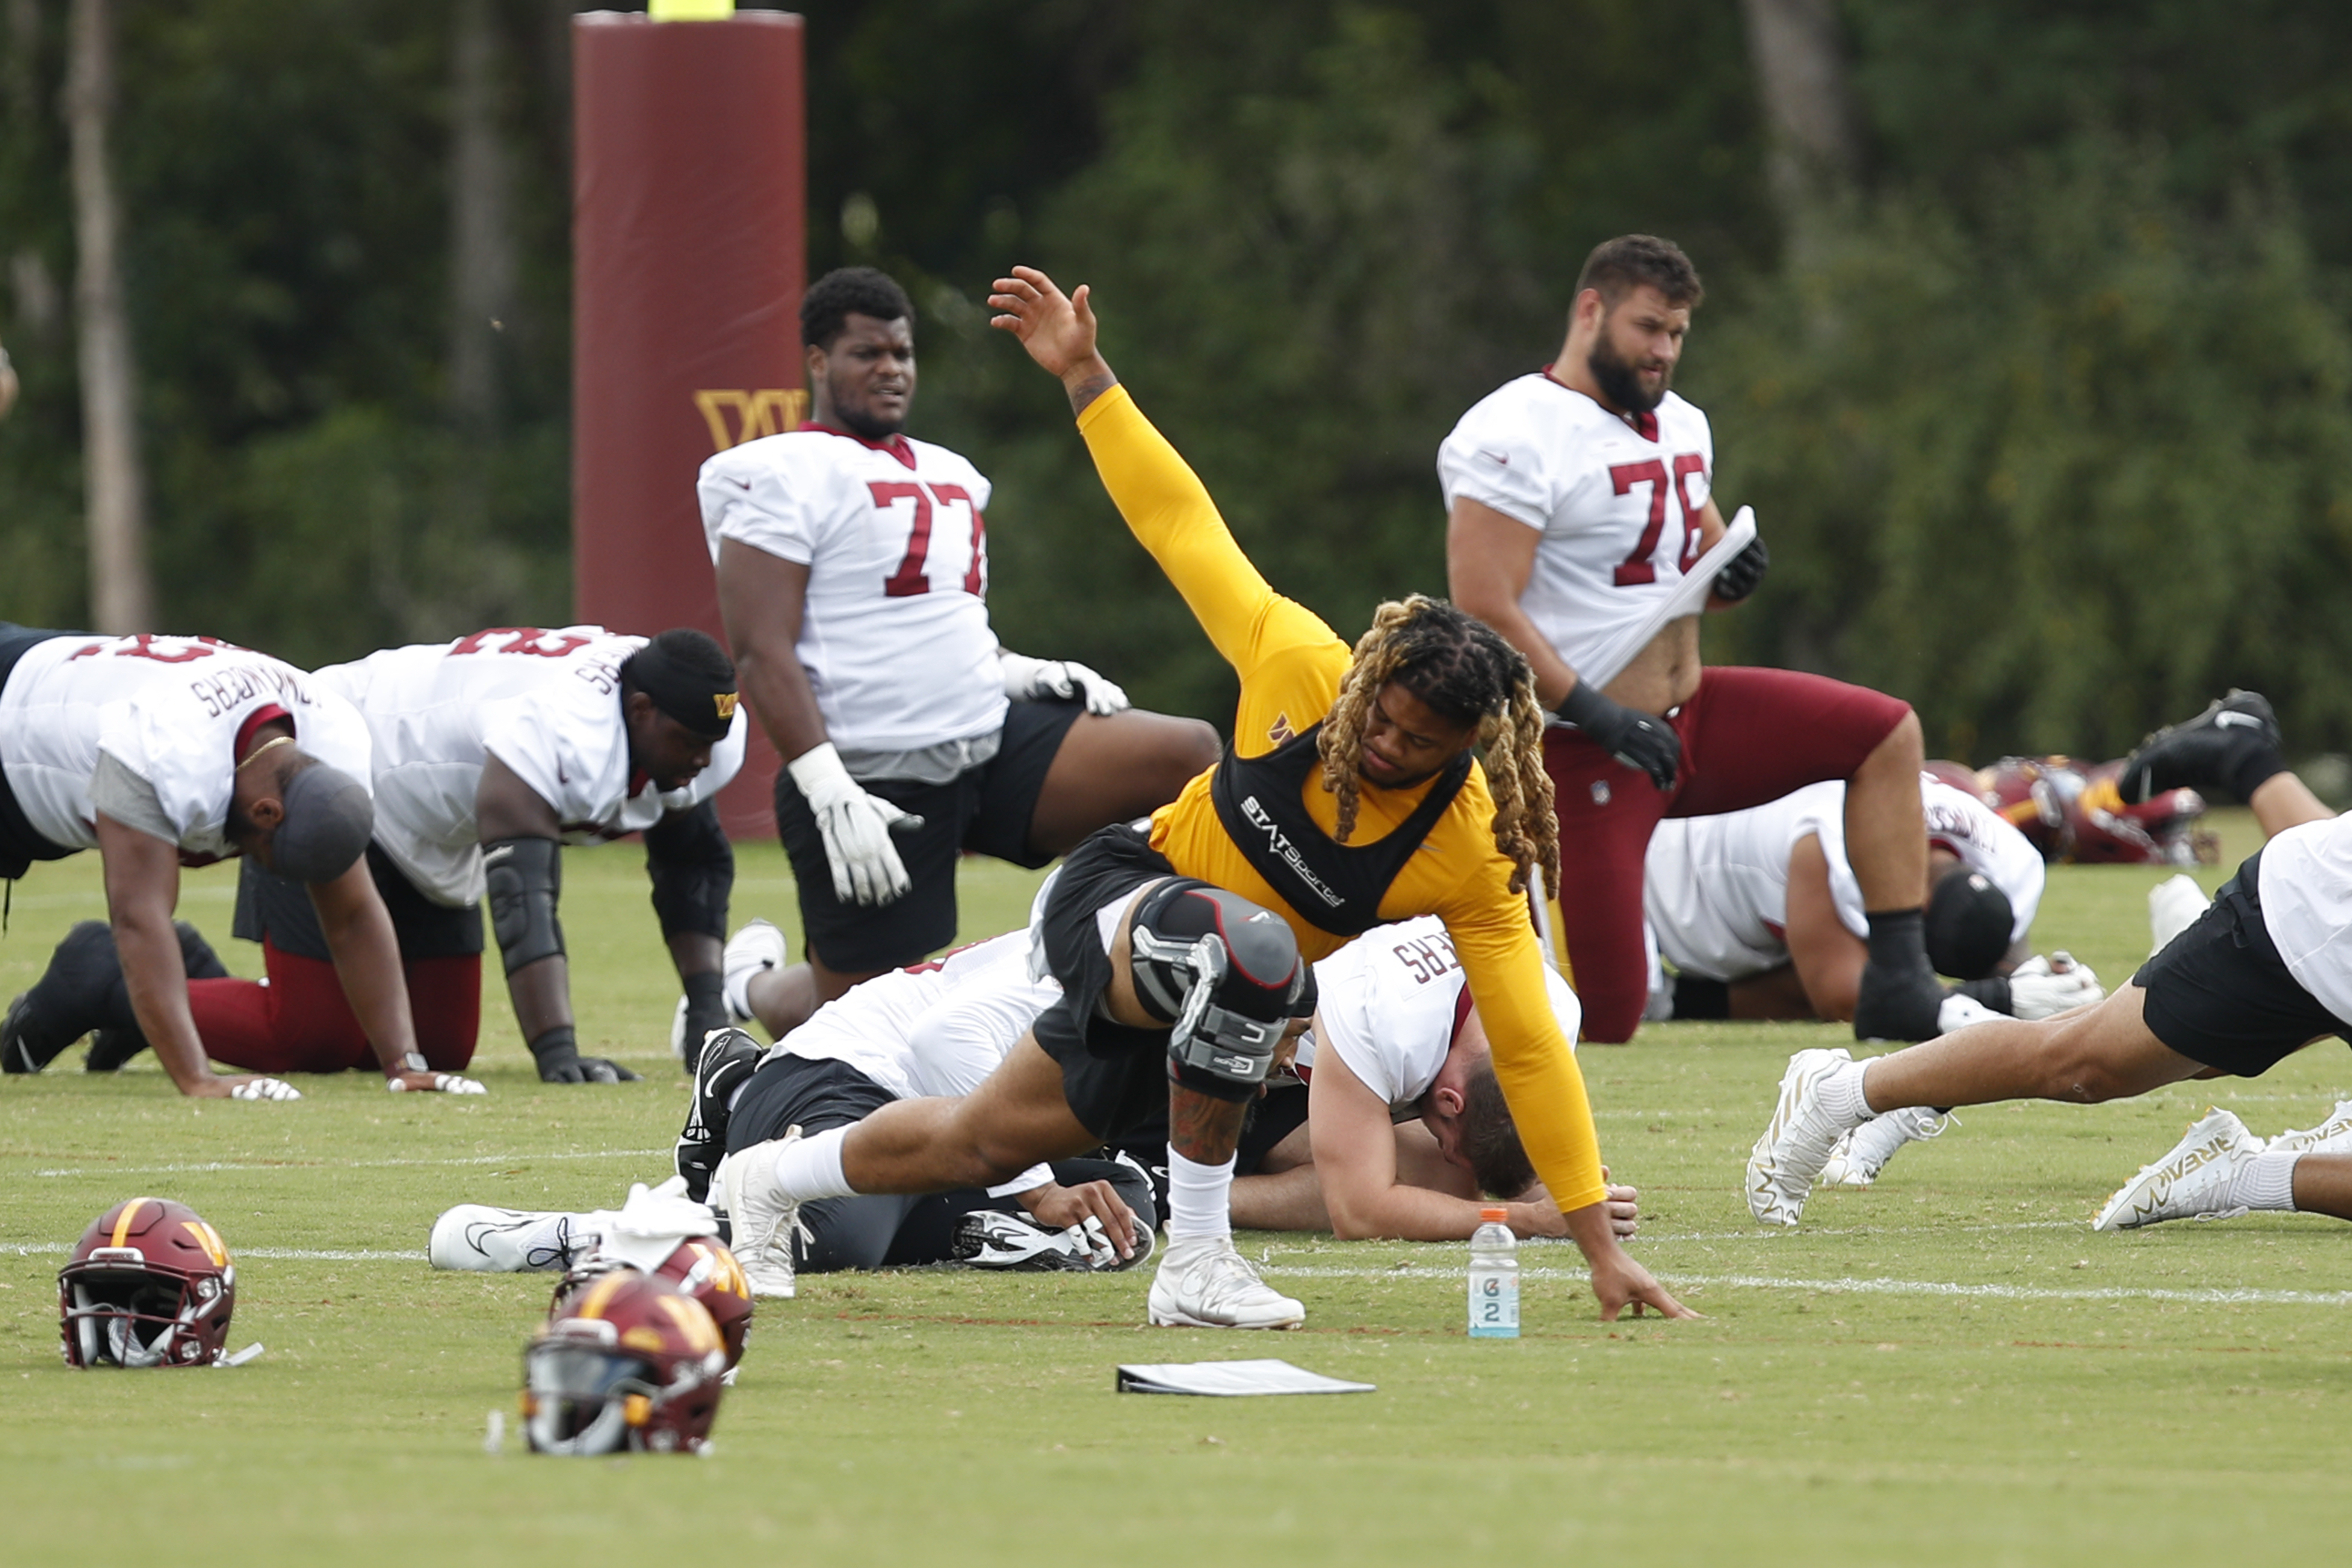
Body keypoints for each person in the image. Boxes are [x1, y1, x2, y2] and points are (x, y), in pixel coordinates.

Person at [711, 265, 1690, 1330]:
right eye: (1383, 721)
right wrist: (1086, 377)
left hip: (1205, 1003)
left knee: (975, 1142)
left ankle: (766, 1178)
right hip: (1122, 894)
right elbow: (1181, 525)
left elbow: (1534, 1049)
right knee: (1261, 954)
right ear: (1364, 681)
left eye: (1420, 747)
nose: (1385, 749)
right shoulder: (1299, 662)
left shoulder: (1467, 847)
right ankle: (1198, 1262)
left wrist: (1593, 1244)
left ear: (1469, 750)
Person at [1442, 234, 1946, 1045]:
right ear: (1590, 310)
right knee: (1606, 1016)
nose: (1664, 351)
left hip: (1690, 715)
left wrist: (1735, 572)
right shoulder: (1515, 431)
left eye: (1677, 334)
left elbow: (1701, 562)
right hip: (1583, 745)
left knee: (1886, 733)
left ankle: (1897, 980)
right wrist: (1598, 713)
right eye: (1649, 328)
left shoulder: (1679, 423)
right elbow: (1484, 611)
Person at [700, 266, 1220, 1038]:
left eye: (902, 354)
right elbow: (760, 649)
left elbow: (943, 624)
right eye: (866, 354)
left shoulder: (953, 473)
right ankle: (750, 987)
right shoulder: (778, 470)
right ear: (817, 362)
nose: (891, 370)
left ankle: (1107, 959)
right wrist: (825, 782)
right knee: (862, 1024)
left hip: (989, 738)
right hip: (873, 777)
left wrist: (1023, 670)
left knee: (1185, 754)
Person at [1746, 688, 2346, 1227]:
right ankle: (1844, 1091)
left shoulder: (2007, 858)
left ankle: (2253, 1169)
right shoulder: (1973, 853)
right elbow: (1834, 988)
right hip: (2311, 921)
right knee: (2088, 1063)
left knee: (2171, 1056)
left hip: (2324, 917)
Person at [163, 626, 744, 1086]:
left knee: (440, 1044)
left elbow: (692, 864)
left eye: (707, 743)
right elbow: (524, 897)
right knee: (311, 1036)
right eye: (688, 743)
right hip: (346, 768)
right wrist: (557, 1048)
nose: (700, 758)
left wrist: (707, 1010)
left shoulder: (685, 711)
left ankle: (194, 971)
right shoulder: (563, 725)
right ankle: (118, 979)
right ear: (640, 709)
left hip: (433, 826)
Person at [438, 930, 1155, 1280]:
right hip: (843, 1077)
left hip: (926, 1123)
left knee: (1125, 1200)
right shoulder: (1094, 962)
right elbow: (946, 1042)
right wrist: (1033, 1191)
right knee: (839, 1237)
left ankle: (977, 1225)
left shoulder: (1139, 952)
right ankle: (578, 1235)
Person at [0, 626, 451, 1098]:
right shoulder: (162, 744)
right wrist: (198, 1078)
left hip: (74, 677)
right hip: (22, 704)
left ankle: (182, 964)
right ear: (266, 812)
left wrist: (404, 1062)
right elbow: (136, 918)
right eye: (271, 859)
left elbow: (353, 915)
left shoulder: (334, 739)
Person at [1224, 915, 1643, 1243]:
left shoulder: (1554, 1014)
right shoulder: (1385, 1021)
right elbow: (1357, 1213)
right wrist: (1529, 1219)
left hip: (1316, 1057)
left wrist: (1575, 1197)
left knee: (1445, 1185)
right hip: (1234, 1059)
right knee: (1424, 1185)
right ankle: (1189, 1193)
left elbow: (1526, 1121)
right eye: (1449, 1144)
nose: (1444, 1152)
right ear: (1449, 1102)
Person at [1643, 773, 2098, 1027]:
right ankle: (1684, 999)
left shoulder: (2011, 862)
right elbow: (1847, 1002)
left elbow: (2005, 961)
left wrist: (2049, 987)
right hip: (1661, 878)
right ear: (1915, 908)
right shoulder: (1829, 848)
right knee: (1637, 1002)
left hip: (1749, 858)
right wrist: (1997, 1000)